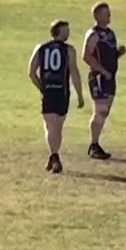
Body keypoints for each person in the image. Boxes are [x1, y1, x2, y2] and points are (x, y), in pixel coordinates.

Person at [28, 20, 84, 175]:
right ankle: (55, 156)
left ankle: (53, 155)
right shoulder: (69, 50)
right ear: (58, 31)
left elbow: (31, 73)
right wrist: (79, 94)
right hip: (62, 92)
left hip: (48, 93)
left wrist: (42, 87)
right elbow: (74, 73)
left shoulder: (41, 48)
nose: (68, 33)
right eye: (66, 30)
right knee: (57, 127)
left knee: (49, 126)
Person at [82, 2, 125, 161]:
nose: (109, 15)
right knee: (99, 111)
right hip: (99, 77)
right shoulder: (93, 34)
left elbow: (108, 54)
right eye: (106, 13)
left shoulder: (110, 33)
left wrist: (118, 54)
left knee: (105, 112)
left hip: (109, 77)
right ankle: (93, 144)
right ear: (98, 16)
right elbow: (86, 56)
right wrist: (102, 71)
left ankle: (96, 143)